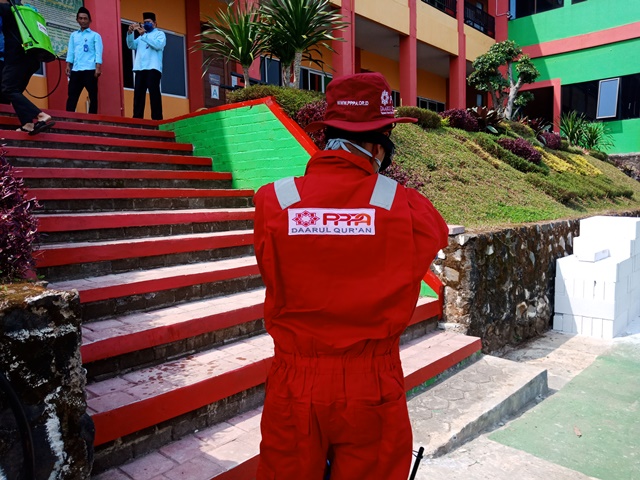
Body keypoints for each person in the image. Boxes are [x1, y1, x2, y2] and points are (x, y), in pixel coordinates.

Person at [253, 72, 449, 480]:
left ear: (327, 134)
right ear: (380, 143)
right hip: (371, 385)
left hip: (295, 384)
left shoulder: (274, 200)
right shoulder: (405, 207)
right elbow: (436, 233)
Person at [0, 0, 54, 134]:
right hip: (32, 58)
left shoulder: (5, 9)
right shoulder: (24, 12)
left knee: (7, 89)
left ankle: (40, 115)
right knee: (14, 90)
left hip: (17, 57)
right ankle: (28, 123)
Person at [126, 12, 165, 120]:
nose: (146, 24)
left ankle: (157, 119)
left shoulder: (160, 34)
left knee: (154, 94)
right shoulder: (141, 37)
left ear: (155, 23)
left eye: (148, 22)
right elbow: (131, 45)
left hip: (153, 68)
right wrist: (129, 33)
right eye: (144, 22)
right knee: (138, 94)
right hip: (140, 68)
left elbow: (158, 45)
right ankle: (137, 118)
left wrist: (144, 35)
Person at [65, 6, 102, 114]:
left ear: (90, 20)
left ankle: (93, 118)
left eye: (85, 18)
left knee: (93, 96)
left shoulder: (95, 36)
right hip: (76, 70)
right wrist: (68, 65)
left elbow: (98, 52)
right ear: (77, 20)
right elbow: (71, 51)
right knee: (72, 95)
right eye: (80, 18)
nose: (83, 21)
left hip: (90, 69)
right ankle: (69, 117)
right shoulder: (73, 35)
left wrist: (98, 67)